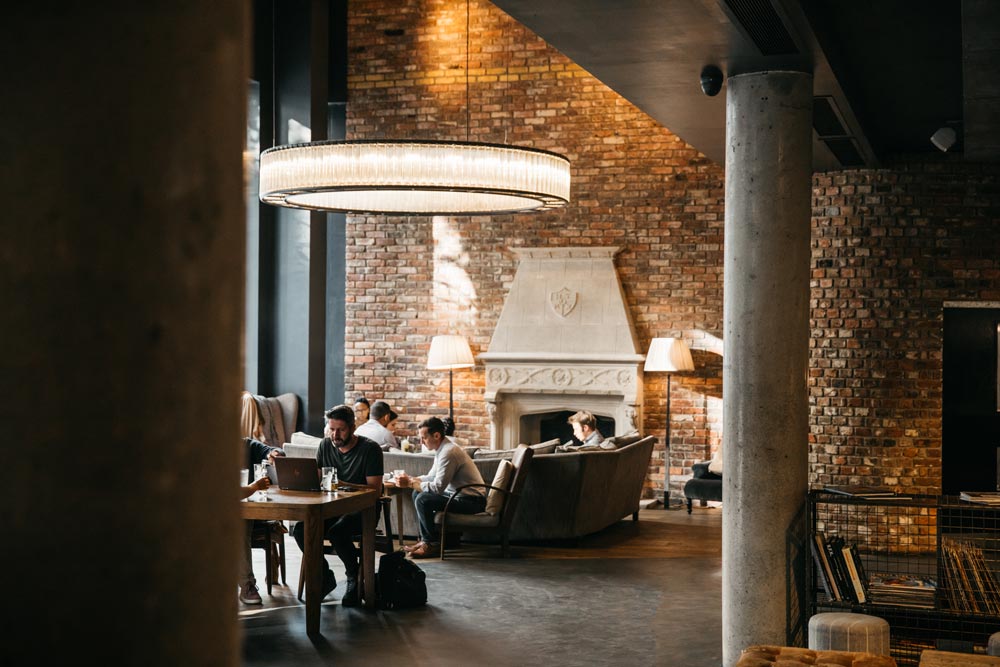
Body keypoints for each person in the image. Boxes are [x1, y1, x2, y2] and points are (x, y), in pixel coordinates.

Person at [291, 404, 383, 606]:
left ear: (352, 427)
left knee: (337, 532)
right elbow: (316, 482)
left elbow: (374, 490)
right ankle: (325, 576)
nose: (335, 434)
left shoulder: (370, 450)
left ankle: (353, 576)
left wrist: (341, 485)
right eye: (331, 429)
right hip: (331, 507)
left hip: (364, 509)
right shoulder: (325, 446)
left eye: (340, 429)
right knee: (300, 530)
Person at [394, 417, 486, 559]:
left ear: (436, 435)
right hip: (458, 496)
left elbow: (438, 488)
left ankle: (431, 544)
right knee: (416, 493)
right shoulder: (442, 449)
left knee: (423, 499)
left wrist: (410, 483)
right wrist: (413, 479)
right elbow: (432, 476)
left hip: (472, 502)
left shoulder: (449, 452)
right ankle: (426, 540)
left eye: (423, 438)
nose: (421, 442)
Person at [239, 438, 285, 605]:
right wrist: (253, 487)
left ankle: (247, 585)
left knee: (241, 520)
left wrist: (275, 454)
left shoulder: (245, 444)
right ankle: (246, 584)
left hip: (249, 512)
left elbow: (270, 449)